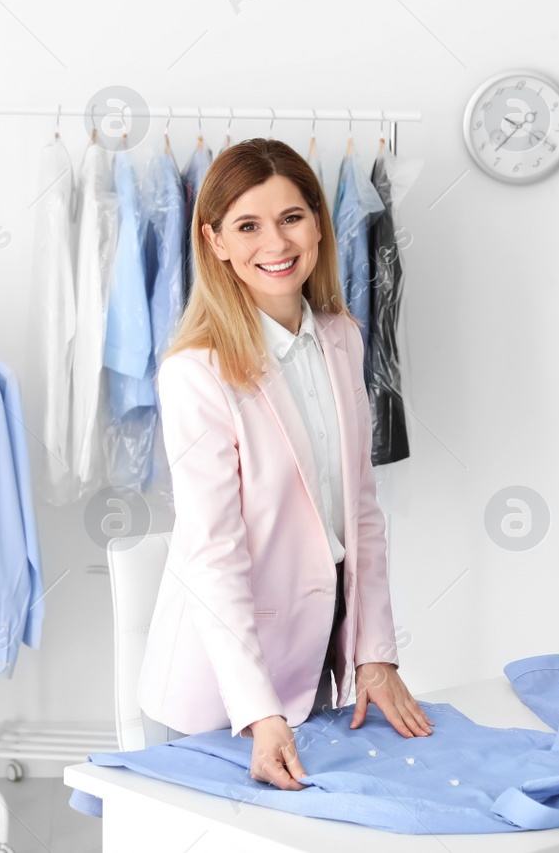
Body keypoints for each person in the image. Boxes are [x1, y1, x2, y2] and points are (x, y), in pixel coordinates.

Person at [138, 137, 432, 790]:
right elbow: (213, 551)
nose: (275, 242)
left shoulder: (342, 337)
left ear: (321, 226)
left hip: (314, 665)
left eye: (291, 217)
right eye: (248, 225)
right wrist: (257, 710)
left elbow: (360, 508)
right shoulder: (196, 374)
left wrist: (373, 653)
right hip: (219, 691)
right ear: (214, 240)